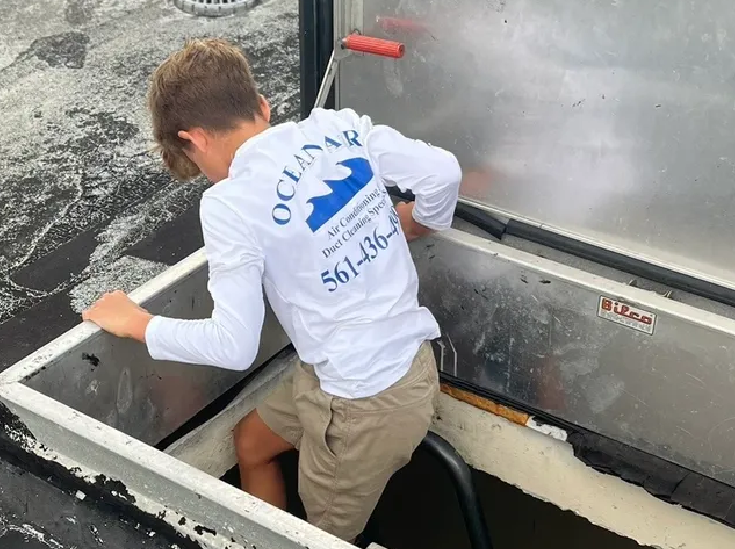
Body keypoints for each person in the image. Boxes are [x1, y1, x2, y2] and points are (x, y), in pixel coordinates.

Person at [82, 37, 462, 543]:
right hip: (400, 368)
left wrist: (140, 324)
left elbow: (233, 347)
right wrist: (418, 220)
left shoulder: (229, 203)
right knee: (253, 443)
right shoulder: (338, 126)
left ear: (192, 139)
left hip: (358, 408)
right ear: (261, 107)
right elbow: (443, 172)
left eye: (194, 161)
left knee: (313, 537)